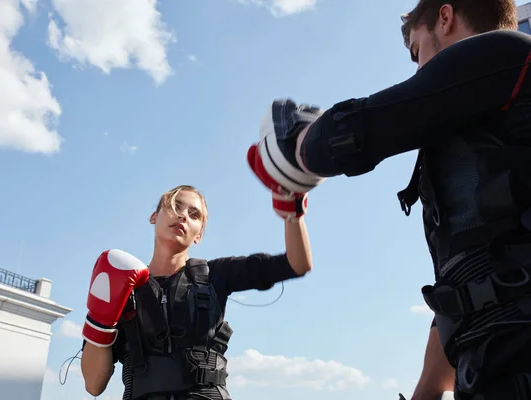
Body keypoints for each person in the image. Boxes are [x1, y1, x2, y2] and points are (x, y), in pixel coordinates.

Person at [248, 1, 531, 399]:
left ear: (445, 18)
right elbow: (472, 282)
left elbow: (366, 129)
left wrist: (295, 144)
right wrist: (425, 393)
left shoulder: (507, 52)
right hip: (494, 363)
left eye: (417, 51)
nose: (418, 70)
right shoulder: (483, 125)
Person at [79, 184, 313, 400]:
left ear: (199, 234)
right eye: (175, 207)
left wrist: (292, 210)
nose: (183, 216)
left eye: (194, 214)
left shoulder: (216, 274)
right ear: (154, 217)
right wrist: (101, 319)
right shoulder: (122, 287)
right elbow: (93, 384)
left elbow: (297, 264)